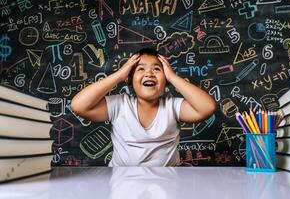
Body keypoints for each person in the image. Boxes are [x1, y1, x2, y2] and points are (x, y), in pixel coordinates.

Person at [71, 48, 216, 166]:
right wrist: (119, 75)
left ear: (165, 80)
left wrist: (173, 77)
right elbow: (79, 106)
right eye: (140, 69)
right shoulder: (120, 105)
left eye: (157, 69)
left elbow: (207, 107)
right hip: (123, 182)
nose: (149, 73)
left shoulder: (172, 106)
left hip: (167, 182)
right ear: (129, 79)